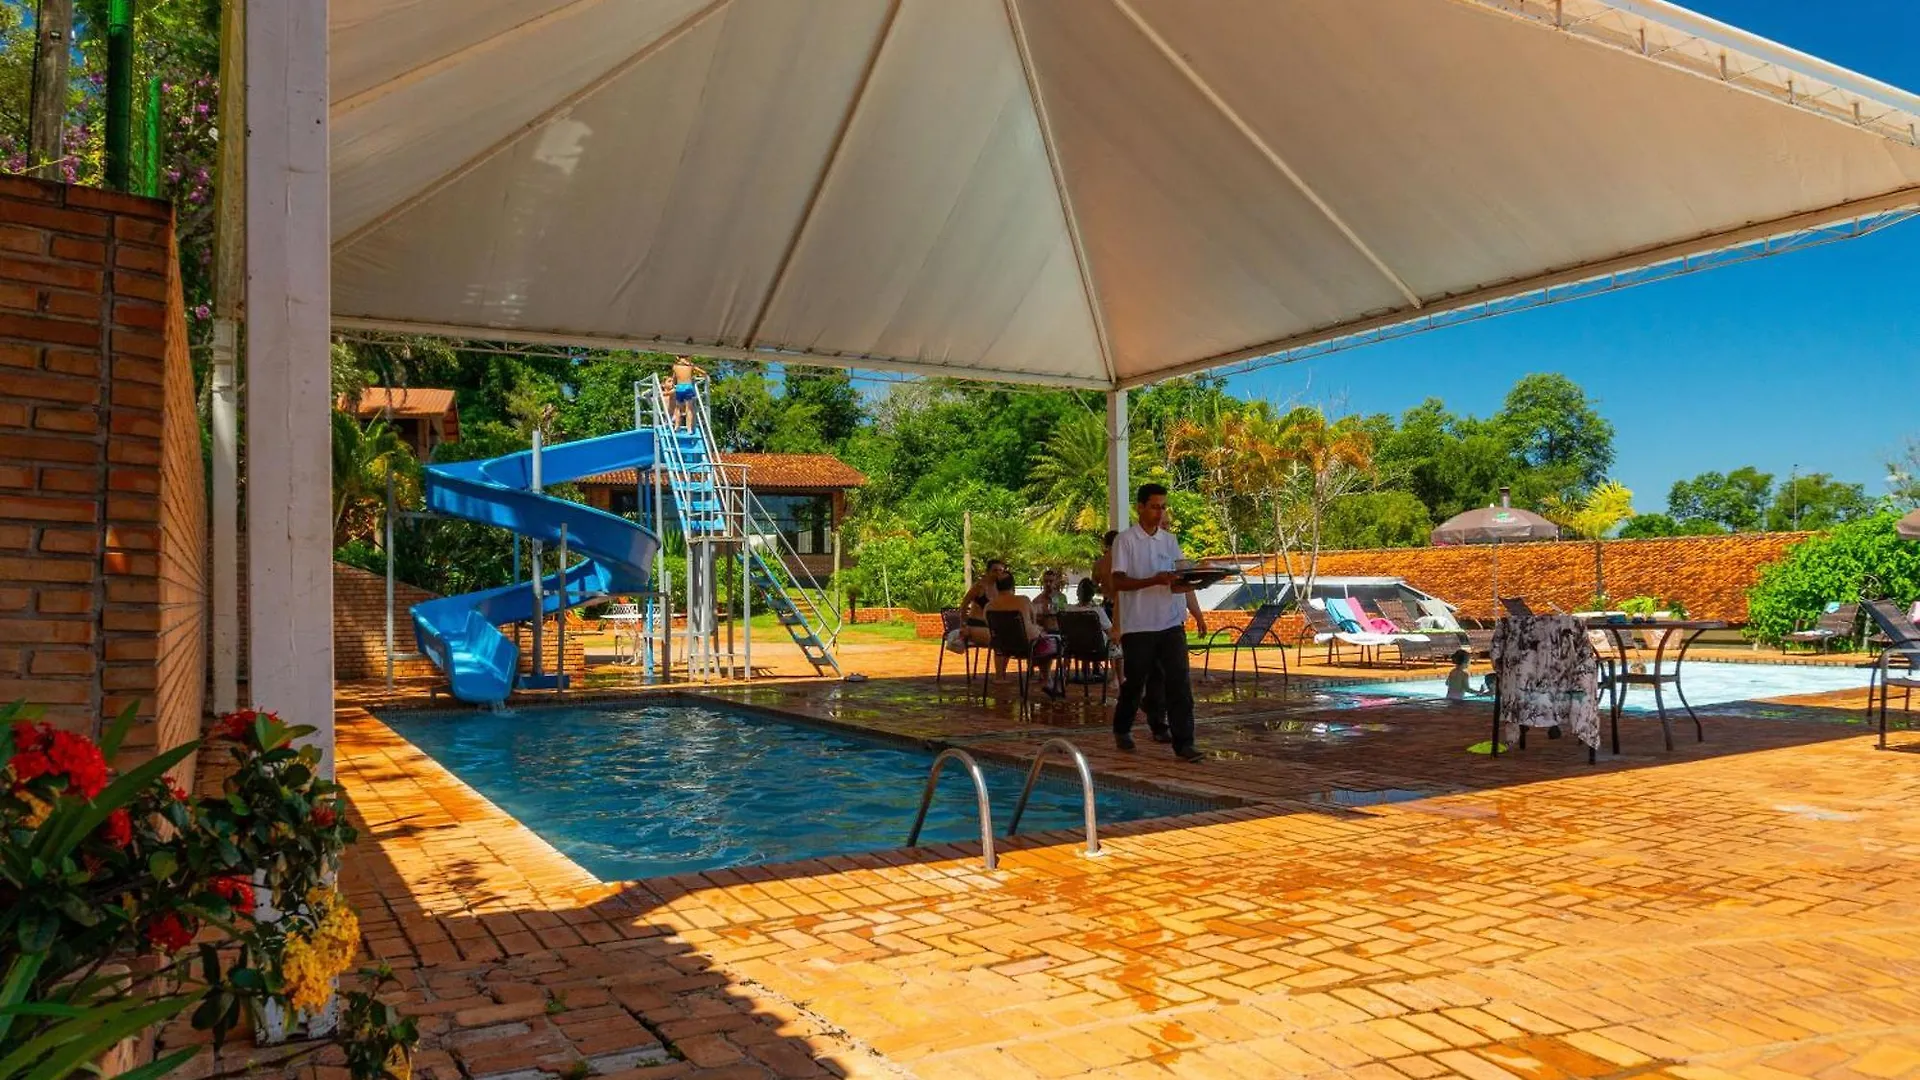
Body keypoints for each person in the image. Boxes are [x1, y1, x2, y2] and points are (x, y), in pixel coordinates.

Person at [1110, 483, 1203, 762]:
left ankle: (1184, 743)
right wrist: (1153, 580)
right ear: (1140, 507)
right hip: (1138, 625)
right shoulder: (1125, 540)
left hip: (1171, 623)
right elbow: (1118, 581)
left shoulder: (1170, 541)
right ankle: (1122, 727)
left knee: (1179, 682)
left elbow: (1176, 582)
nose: (1159, 512)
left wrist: (1197, 582)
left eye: (1163, 507)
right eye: (1154, 507)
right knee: (1136, 681)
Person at [984, 571, 1062, 694]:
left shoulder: (989, 607)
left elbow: (990, 628)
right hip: (1027, 646)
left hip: (1003, 647)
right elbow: (1033, 621)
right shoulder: (1024, 601)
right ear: (1013, 586)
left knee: (1042, 639)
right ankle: (1046, 679)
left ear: (997, 587)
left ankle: (1043, 677)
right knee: (1049, 641)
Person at [961, 558, 1007, 646]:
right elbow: (964, 604)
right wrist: (963, 624)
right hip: (977, 625)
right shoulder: (979, 587)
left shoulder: (1001, 588)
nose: (998, 573)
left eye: (1001, 571)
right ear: (988, 572)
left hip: (993, 628)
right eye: (995, 570)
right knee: (1002, 641)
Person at [669, 356, 706, 432]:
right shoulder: (690, 365)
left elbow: (674, 379)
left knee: (678, 408)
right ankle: (689, 428)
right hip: (688, 386)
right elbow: (704, 373)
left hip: (679, 387)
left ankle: (677, 426)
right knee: (689, 408)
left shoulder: (675, 366)